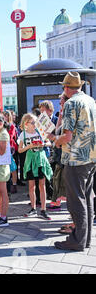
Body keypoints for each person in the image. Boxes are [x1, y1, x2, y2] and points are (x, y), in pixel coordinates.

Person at [49, 72, 96, 251]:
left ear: (66, 88)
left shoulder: (71, 103)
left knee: (76, 201)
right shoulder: (90, 101)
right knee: (87, 199)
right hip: (91, 156)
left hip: (76, 158)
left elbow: (67, 136)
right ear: (80, 86)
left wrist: (54, 138)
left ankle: (77, 240)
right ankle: (85, 239)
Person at [18, 113, 53, 220]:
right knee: (31, 185)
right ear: (26, 123)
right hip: (30, 161)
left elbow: (49, 143)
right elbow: (19, 150)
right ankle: (33, 208)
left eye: (36, 122)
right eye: (33, 122)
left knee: (42, 185)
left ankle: (43, 209)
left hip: (41, 160)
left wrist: (43, 144)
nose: (35, 124)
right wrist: (29, 146)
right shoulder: (23, 134)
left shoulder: (40, 131)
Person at [3, 110, 18, 194]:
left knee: (12, 167)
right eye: (4, 115)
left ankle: (14, 184)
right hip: (3, 147)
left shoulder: (12, 126)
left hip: (10, 148)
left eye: (7, 115)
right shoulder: (2, 126)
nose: (5, 117)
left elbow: (10, 136)